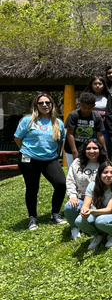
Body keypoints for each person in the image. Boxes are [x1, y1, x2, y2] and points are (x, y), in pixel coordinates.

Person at [15, 93, 67, 230]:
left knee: (61, 184)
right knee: (32, 188)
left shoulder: (58, 123)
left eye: (47, 102)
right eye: (41, 103)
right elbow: (17, 139)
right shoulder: (28, 121)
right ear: (36, 105)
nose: (45, 105)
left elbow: (61, 141)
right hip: (28, 159)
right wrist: (28, 152)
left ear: (52, 105)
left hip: (50, 159)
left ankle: (55, 214)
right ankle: (32, 218)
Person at [75, 162, 112, 249]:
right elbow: (85, 205)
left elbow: (109, 209)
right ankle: (98, 235)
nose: (109, 175)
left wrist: (91, 211)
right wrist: (84, 211)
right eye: (105, 172)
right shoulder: (92, 185)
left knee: (100, 220)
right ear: (99, 174)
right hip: (101, 216)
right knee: (79, 220)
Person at [64, 139, 106, 240]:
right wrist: (73, 196)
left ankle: (90, 227)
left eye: (95, 148)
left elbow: (109, 185)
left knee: (94, 214)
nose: (92, 151)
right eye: (88, 148)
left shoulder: (105, 164)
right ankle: (74, 228)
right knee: (69, 207)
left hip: (97, 199)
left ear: (100, 150)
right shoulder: (77, 162)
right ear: (84, 150)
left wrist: (97, 200)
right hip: (80, 197)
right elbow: (70, 180)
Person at [63, 92, 105, 166]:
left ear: (94, 106)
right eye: (84, 107)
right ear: (79, 105)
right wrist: (74, 151)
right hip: (71, 148)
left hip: (88, 149)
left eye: (89, 108)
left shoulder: (97, 117)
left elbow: (100, 135)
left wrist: (104, 151)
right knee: (73, 169)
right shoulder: (73, 115)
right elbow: (70, 134)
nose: (86, 110)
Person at [83, 75, 112, 153]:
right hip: (88, 127)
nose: (97, 86)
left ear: (104, 85)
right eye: (95, 83)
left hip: (104, 127)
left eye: (100, 84)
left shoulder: (108, 96)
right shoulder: (86, 96)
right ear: (91, 85)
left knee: (104, 149)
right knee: (89, 149)